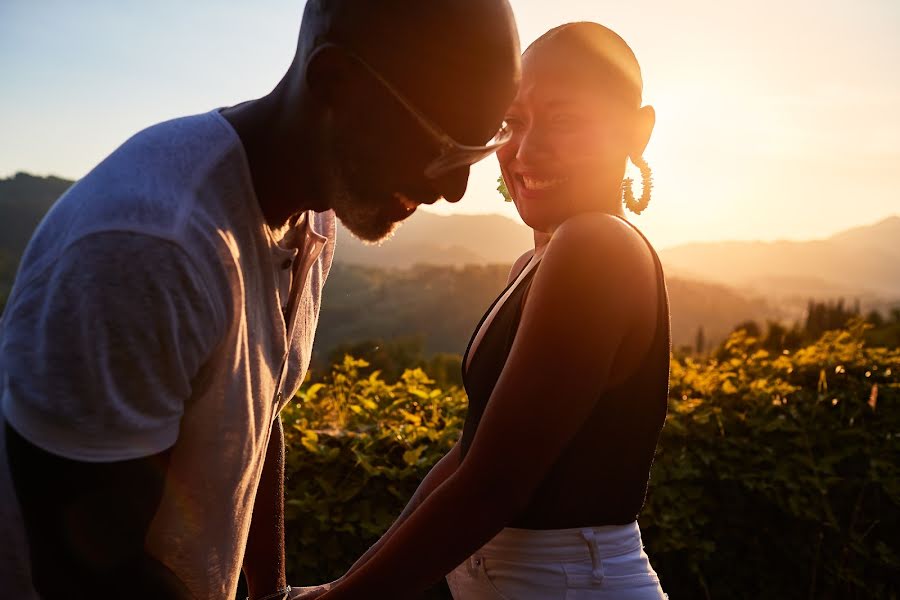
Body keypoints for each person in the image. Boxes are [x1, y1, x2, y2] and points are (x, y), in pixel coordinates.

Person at [0, 0, 520, 598]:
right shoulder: (151, 246)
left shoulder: (315, 219)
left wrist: (269, 590)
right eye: (443, 148)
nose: (454, 189)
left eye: (477, 153)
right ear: (335, 84)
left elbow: (257, 410)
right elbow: (86, 571)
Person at [297, 21, 669, 600]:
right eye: (513, 122)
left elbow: (492, 487)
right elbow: (471, 455)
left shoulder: (597, 247)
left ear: (636, 131)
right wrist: (340, 588)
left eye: (563, 119)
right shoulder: (536, 261)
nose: (523, 149)